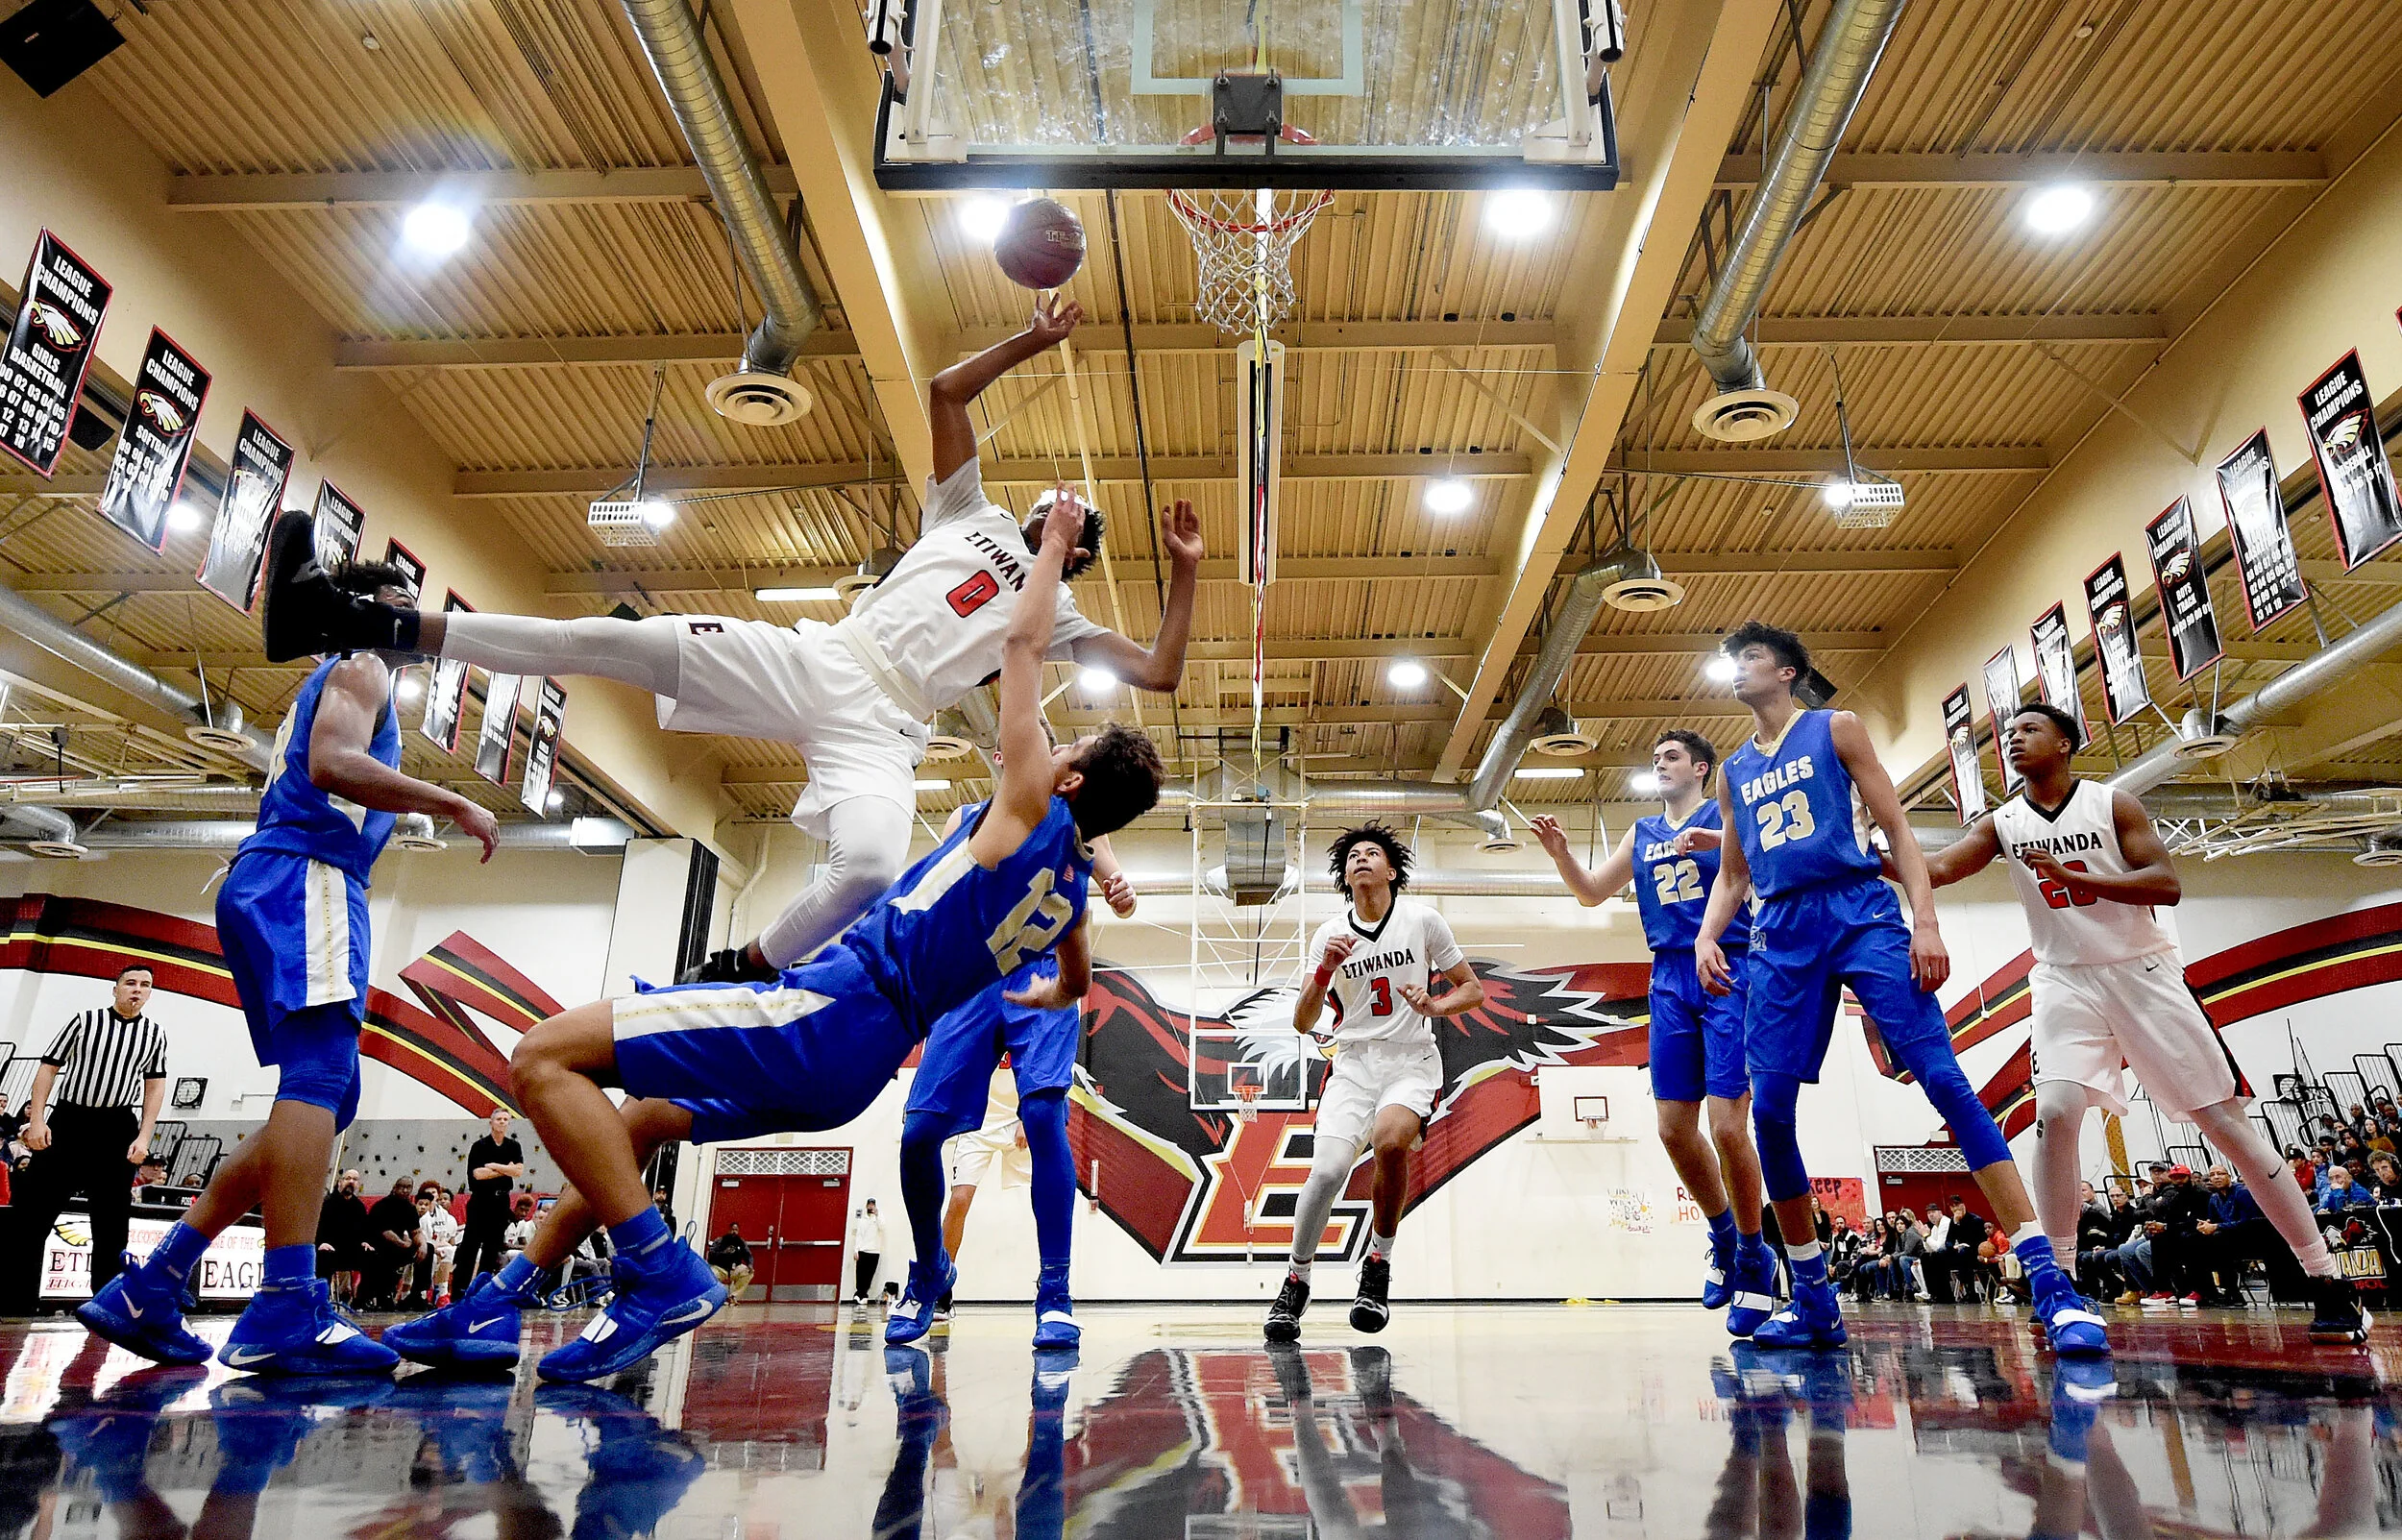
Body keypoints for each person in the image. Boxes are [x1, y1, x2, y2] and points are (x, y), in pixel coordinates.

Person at [383, 492, 1164, 1381]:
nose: (1056, 746)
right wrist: (1040, 991)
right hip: (854, 1062)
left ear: (1066, 778)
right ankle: (499, 1298)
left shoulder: (1025, 802)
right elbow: (1077, 978)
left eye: (1073, 746)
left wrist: (1055, 548)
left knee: (541, 1058)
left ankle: (658, 1272)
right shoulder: (1069, 899)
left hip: (827, 1010)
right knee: (637, 1120)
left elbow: (1021, 645)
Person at [259, 297, 1202, 987]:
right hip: (824, 658)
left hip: (886, 726)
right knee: (599, 642)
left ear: (1071, 550)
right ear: (1036, 505)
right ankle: (357, 620)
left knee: (872, 863)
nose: (1056, 513)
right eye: (1053, 506)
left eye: (1070, 526)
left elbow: (1158, 669)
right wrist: (1032, 341)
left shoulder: (1059, 611)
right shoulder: (967, 508)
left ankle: (737, 967)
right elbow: (946, 388)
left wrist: (1185, 567)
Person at [76, 544, 500, 1373]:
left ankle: (154, 1281)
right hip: (307, 872)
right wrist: (449, 797)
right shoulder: (366, 662)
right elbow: (332, 763)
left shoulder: (349, 673)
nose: (414, 613)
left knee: (323, 1097)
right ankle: (287, 1303)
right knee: (317, 1075)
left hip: (284, 874)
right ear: (366, 603)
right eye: (402, 595)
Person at [1690, 622, 2104, 1355]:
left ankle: (2051, 1283)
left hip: (1857, 910)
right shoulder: (1731, 772)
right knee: (1771, 1116)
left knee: (1945, 1080)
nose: (1737, 668)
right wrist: (1702, 935)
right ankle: (1814, 1299)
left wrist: (1927, 921)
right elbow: (1732, 872)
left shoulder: (1836, 728)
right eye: (1733, 660)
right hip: (1780, 934)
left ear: (1787, 671)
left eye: (1750, 656)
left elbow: (1899, 829)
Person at [1918, 701, 2366, 1342]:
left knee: (2226, 1126)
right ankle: (2066, 1283)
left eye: (2028, 730)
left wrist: (2077, 875)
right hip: (2064, 978)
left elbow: (2166, 882)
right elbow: (1935, 868)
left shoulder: (2112, 803)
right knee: (2058, 1108)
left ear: (2067, 742)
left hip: (2143, 971)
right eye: (2006, 734)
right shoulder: (2005, 822)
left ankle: (2326, 1277)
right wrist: (1852, 856)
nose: (2012, 741)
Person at [1529, 727, 1776, 1336]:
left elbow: (1768, 878)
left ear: (1701, 767)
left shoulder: (1733, 820)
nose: (1659, 764)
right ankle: (1723, 1235)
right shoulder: (1643, 833)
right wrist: (1562, 853)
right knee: (1671, 1129)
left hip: (1728, 967)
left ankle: (1753, 1252)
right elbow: (1591, 894)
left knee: (1726, 1126)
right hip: (1667, 975)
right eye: (1655, 757)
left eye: (1670, 757)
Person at [896, 779, 1138, 1347]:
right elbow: (934, 896)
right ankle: (930, 1269)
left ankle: (1055, 1291)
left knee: (1045, 1121)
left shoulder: (1078, 820)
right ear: (1003, 756)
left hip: (1046, 974)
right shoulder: (965, 817)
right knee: (918, 1133)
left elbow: (1114, 881)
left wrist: (1120, 889)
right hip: (972, 978)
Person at [1265, 824, 1486, 1342]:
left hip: (1410, 1061)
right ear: (1345, 875)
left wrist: (1436, 1006)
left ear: (1391, 871)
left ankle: (1378, 1266)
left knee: (1390, 1143)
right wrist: (1324, 971)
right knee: (1326, 1174)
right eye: (1354, 856)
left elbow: (1472, 990)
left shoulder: (1423, 920)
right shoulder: (1328, 935)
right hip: (1354, 1064)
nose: (1362, 859)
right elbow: (1302, 1022)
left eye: (1373, 853)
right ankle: (1296, 1279)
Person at [1, 964, 169, 1313]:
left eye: (145, 985)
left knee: (111, 1227)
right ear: (116, 988)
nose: (137, 990)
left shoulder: (155, 1033)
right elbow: (48, 1067)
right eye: (130, 983)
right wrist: (37, 1119)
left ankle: (104, 1309)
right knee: (32, 1218)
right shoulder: (84, 1020)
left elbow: (154, 1086)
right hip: (69, 1121)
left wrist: (144, 1135)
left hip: (117, 1128)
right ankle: (15, 1304)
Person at [456, 1110, 524, 1288]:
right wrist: (505, 1169)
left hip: (501, 1201)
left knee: (491, 1249)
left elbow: (518, 1171)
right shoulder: (480, 1146)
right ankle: (460, 1289)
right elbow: (478, 1174)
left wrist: (494, 1166)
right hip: (481, 1201)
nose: (502, 1122)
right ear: (491, 1122)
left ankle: (481, 1288)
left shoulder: (513, 1146)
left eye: (505, 1120)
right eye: (499, 1119)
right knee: (471, 1247)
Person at [362, 1178, 423, 1309]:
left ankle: (417, 1294)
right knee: (387, 1251)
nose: (405, 1190)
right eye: (402, 1187)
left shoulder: (410, 1208)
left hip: (400, 1246)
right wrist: (402, 1243)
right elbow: (385, 1231)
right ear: (395, 1187)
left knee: (427, 1249)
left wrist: (422, 1244)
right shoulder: (382, 1206)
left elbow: (416, 1231)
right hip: (379, 1244)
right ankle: (383, 1295)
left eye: (409, 1187)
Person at [316, 1170, 371, 1302]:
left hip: (351, 1250)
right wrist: (321, 1243)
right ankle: (322, 1300)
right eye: (348, 1178)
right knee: (324, 1257)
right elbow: (316, 1228)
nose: (351, 1182)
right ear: (340, 1182)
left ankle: (362, 1300)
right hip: (330, 1248)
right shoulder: (327, 1203)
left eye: (355, 1180)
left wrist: (365, 1241)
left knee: (371, 1256)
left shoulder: (359, 1207)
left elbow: (365, 1230)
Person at [849, 1199, 884, 1308]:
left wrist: (877, 1215)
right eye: (869, 1205)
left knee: (869, 1274)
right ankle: (859, 1293)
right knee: (860, 1274)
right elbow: (859, 1235)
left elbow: (882, 1227)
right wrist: (856, 1250)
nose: (870, 1207)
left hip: (874, 1251)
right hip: (863, 1250)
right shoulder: (862, 1220)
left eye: (872, 1205)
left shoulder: (878, 1218)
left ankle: (864, 1294)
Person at [706, 1225, 753, 1299]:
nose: (734, 1232)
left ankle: (733, 1297)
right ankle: (714, 1297)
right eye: (732, 1229)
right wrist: (724, 1252)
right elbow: (711, 1256)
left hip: (734, 1269)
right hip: (720, 1269)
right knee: (711, 1274)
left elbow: (748, 1255)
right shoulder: (719, 1241)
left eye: (736, 1230)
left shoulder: (741, 1242)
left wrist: (750, 1264)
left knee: (748, 1272)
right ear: (728, 1230)